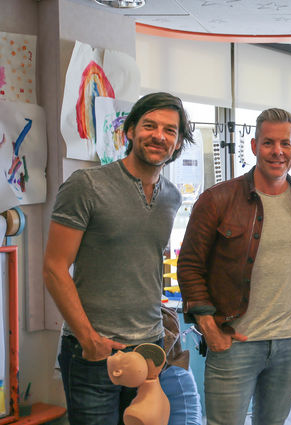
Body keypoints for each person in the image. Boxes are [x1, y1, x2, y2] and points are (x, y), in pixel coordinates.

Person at [43, 92, 193, 425]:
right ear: (129, 131)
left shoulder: (171, 196)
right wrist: (88, 338)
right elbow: (54, 268)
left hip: (150, 347)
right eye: (149, 125)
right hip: (96, 351)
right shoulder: (87, 185)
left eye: (170, 130)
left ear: (178, 141)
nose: (159, 135)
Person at [177, 107, 291, 425]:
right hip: (235, 342)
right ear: (254, 146)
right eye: (269, 143)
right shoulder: (217, 200)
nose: (277, 152)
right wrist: (209, 329)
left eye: (285, 144)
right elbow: (190, 265)